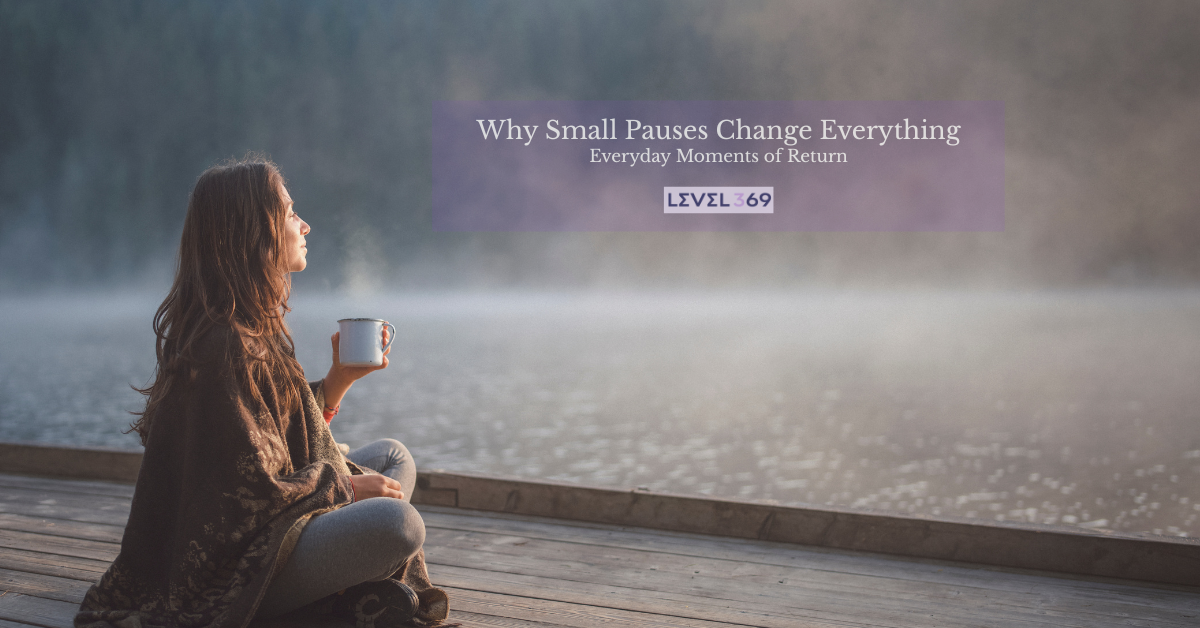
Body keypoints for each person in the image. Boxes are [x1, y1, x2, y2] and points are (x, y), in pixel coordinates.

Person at [74, 156, 447, 628]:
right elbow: (245, 494)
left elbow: (274, 436)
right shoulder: (223, 344)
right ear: (254, 231)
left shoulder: (248, 327)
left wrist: (338, 382)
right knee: (399, 525)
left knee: (393, 458)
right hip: (232, 568)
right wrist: (345, 490)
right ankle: (318, 602)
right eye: (291, 213)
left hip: (277, 527)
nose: (305, 224)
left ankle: (343, 586)